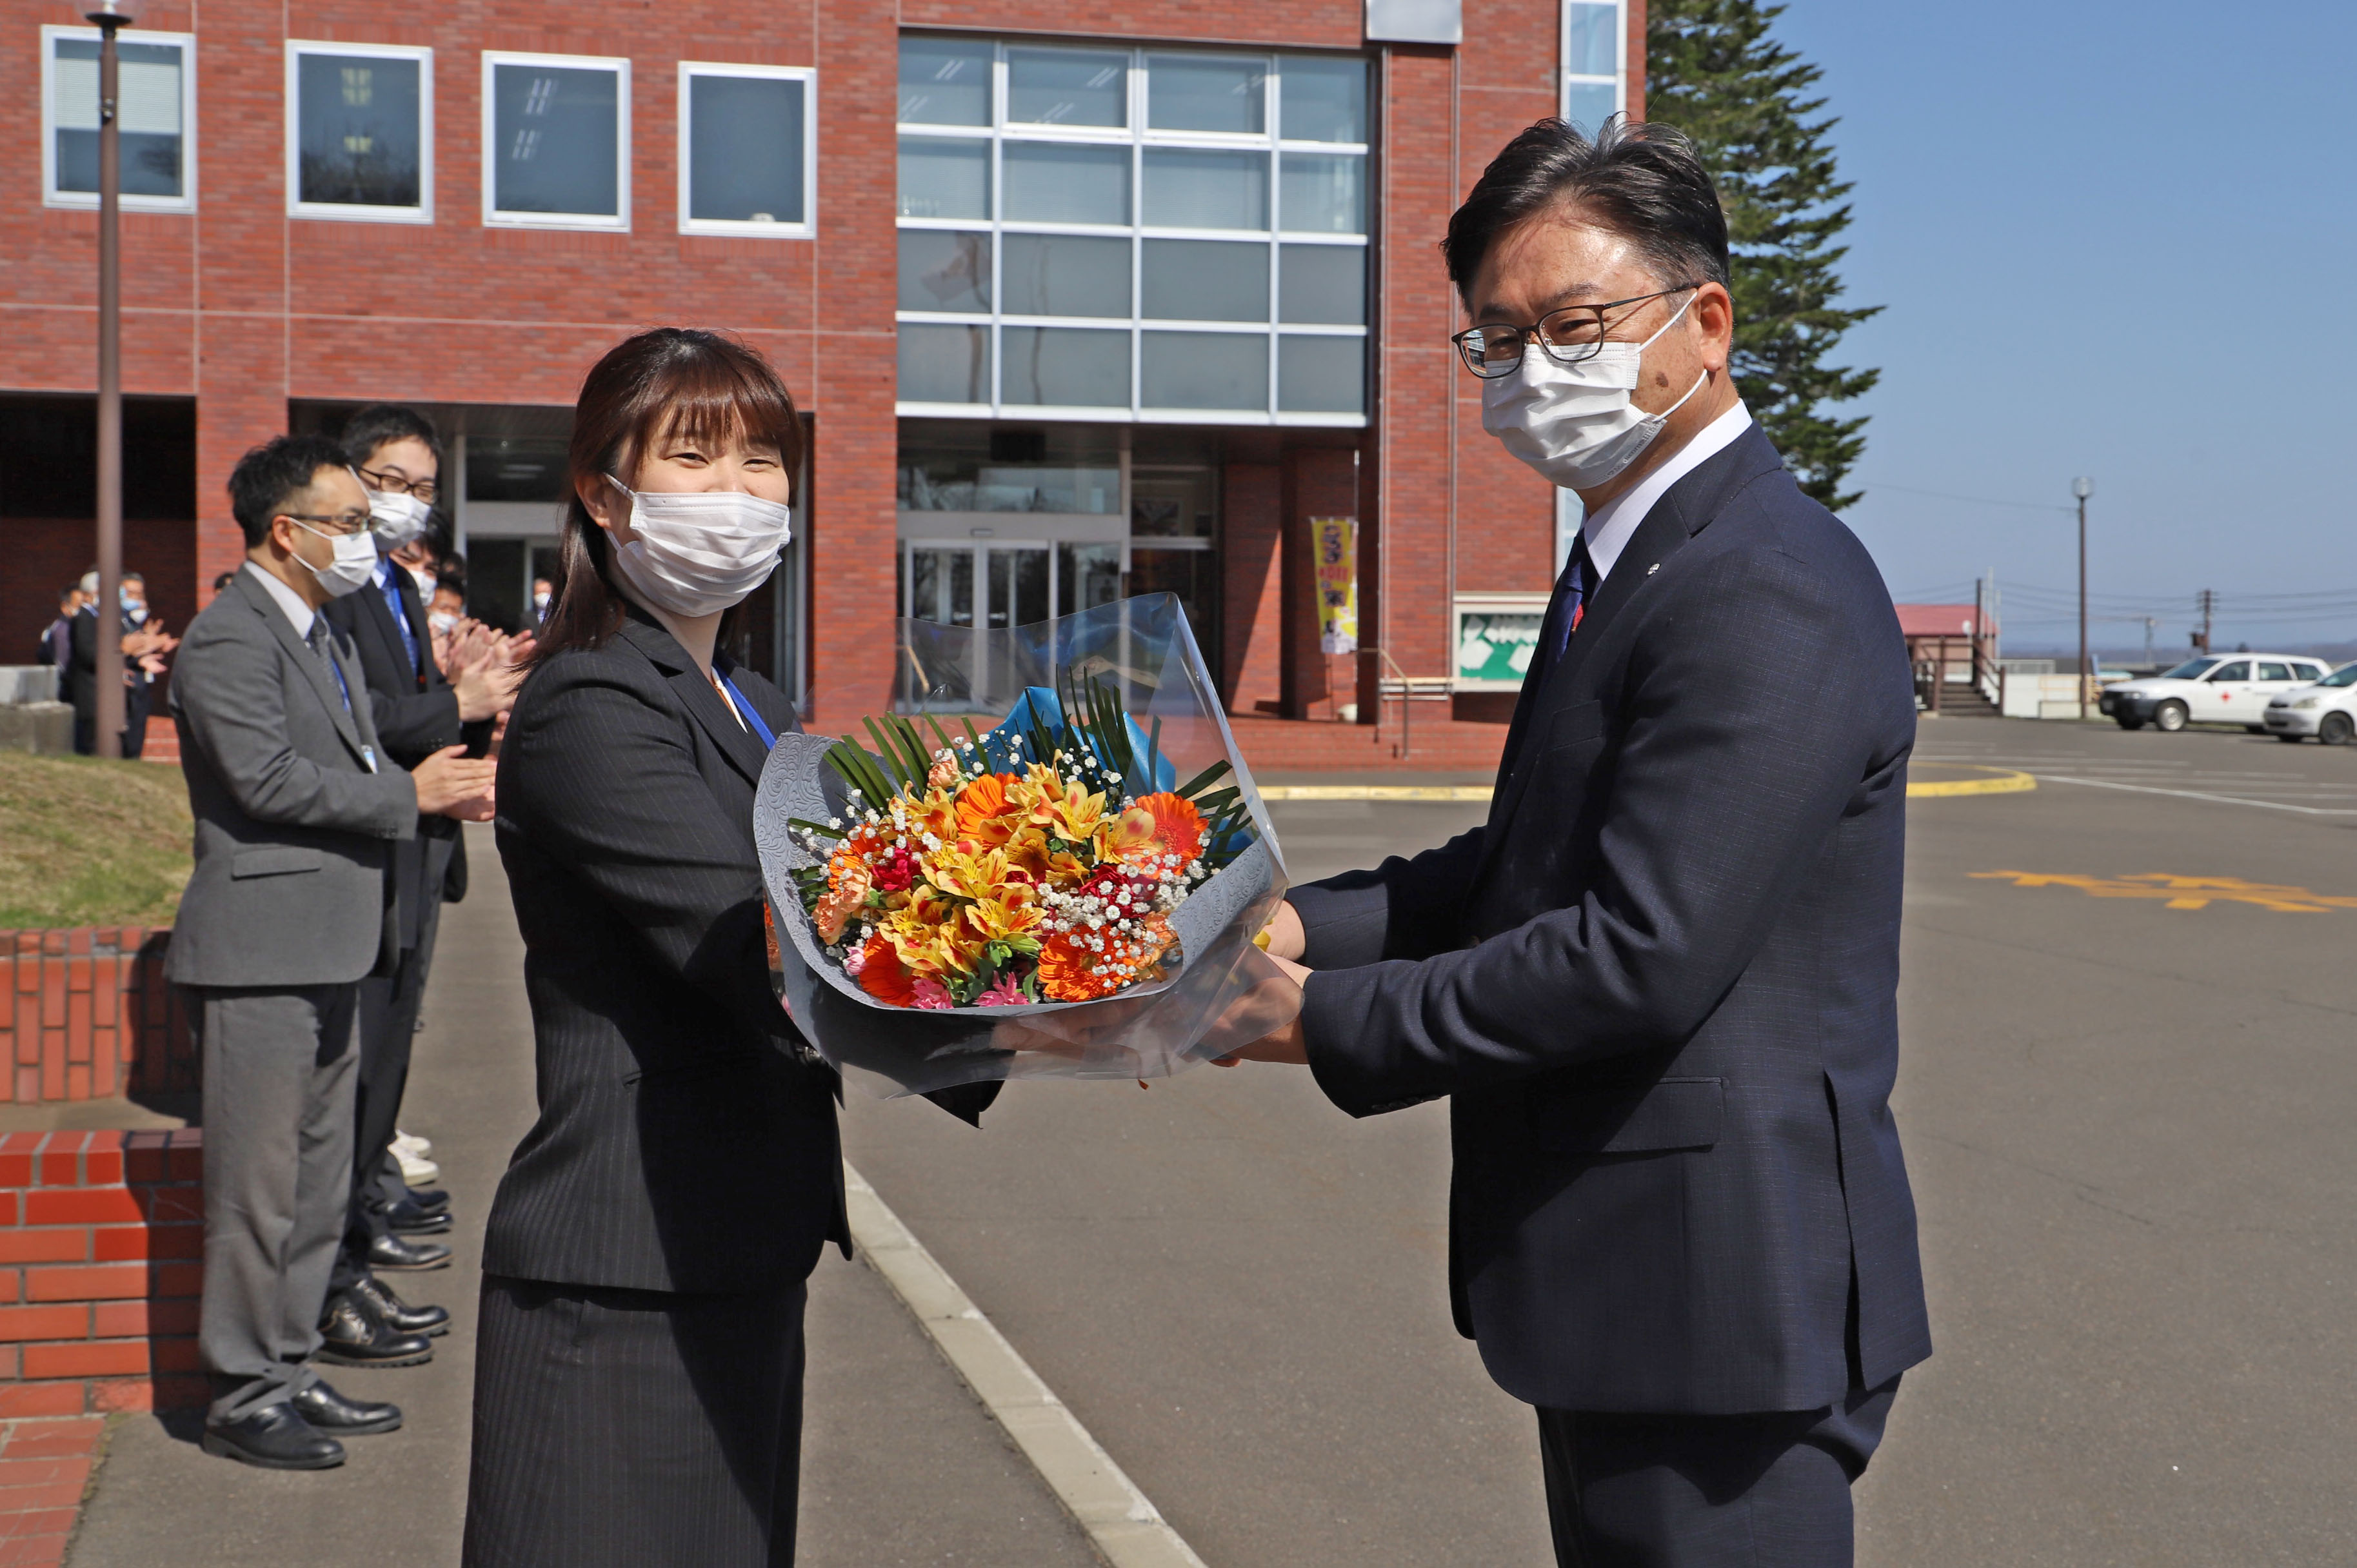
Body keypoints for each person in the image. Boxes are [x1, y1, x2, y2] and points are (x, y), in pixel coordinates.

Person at [1228, 119, 1930, 1566]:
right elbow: (1525, 862)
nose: (1536, 367)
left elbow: (1643, 950)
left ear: (1706, 320)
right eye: (1496, 338)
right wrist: (1300, 924)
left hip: (1723, 1301)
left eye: (1576, 323)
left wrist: (1322, 1022)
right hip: (1639, 1287)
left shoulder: (1764, 582)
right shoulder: (1632, 554)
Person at [466, 329, 987, 1565]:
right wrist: (1038, 1002)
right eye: (693, 457)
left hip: (735, 1243)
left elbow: (863, 900)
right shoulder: (589, 700)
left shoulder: (751, 702)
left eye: (766, 462)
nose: (740, 495)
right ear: (601, 491)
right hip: (625, 1268)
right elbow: (757, 942)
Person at [168, 433, 495, 1469]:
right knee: (257, 1189)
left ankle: (291, 1357)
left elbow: (349, 755)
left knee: (315, 1178)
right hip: (261, 951)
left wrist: (435, 769)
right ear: (285, 531)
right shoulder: (230, 638)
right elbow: (265, 780)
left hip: (333, 939)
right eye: (350, 522)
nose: (367, 539)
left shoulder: (322, 636)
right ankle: (241, 1390)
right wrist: (409, 795)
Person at [316, 404, 530, 1364]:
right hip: (376, 856)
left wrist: (469, 695)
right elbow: (366, 726)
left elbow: (423, 718)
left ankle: (360, 1232)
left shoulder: (398, 587)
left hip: (420, 852)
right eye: (388, 481)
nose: (405, 504)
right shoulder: (346, 589)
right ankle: (335, 1267)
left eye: (422, 487)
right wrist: (461, 698)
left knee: (390, 1061)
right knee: (358, 1074)